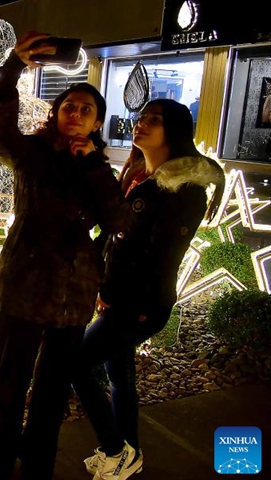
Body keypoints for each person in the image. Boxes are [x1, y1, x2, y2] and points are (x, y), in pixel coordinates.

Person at [0, 31, 132, 480]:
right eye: (69, 106)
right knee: (12, 383)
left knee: (53, 391)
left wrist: (94, 165)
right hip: (23, 284)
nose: (76, 114)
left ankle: (38, 465)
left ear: (97, 121)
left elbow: (117, 222)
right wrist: (12, 69)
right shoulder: (32, 153)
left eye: (86, 109)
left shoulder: (99, 166)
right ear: (57, 113)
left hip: (73, 294)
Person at [71, 99, 225, 480]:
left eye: (153, 121)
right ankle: (131, 453)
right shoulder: (142, 175)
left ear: (174, 131)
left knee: (75, 365)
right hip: (123, 298)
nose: (140, 125)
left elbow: (159, 257)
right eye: (140, 119)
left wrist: (112, 291)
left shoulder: (183, 191)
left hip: (140, 304)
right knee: (120, 375)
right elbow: (117, 236)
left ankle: (115, 449)